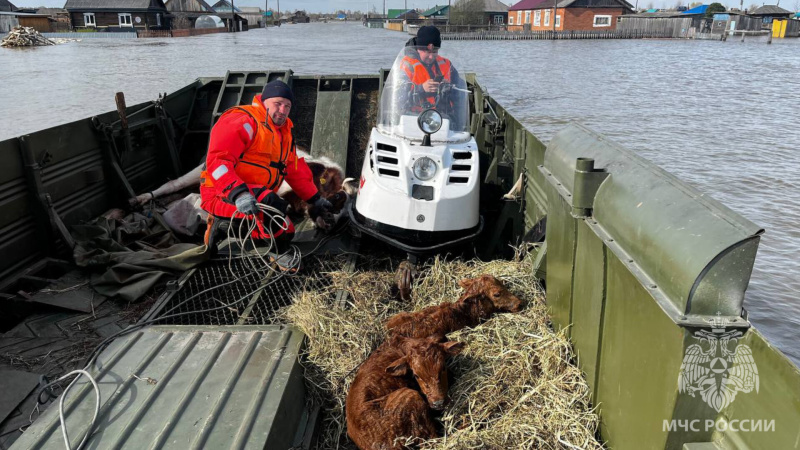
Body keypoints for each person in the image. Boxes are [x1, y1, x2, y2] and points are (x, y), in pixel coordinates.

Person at [199, 80, 332, 266]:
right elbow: (218, 163)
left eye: (287, 106)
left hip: (255, 194)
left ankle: (223, 226)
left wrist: (315, 198)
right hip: (221, 193)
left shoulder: (283, 134)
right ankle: (278, 252)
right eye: (278, 103)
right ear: (264, 101)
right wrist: (239, 193)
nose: (283, 110)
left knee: (286, 228)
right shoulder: (243, 121)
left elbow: (293, 171)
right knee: (278, 215)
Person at [397, 25, 464, 123]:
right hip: (412, 118)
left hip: (443, 119)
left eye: (435, 51)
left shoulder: (446, 64)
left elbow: (461, 90)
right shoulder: (407, 65)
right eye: (426, 51)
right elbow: (397, 97)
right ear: (418, 49)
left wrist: (449, 87)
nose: (431, 56)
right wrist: (421, 88)